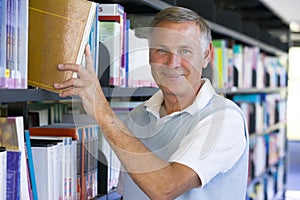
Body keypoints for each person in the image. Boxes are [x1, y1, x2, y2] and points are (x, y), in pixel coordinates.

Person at [54, 6, 249, 200]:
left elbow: (165, 189)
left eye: (185, 51)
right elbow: (130, 193)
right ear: (149, 55)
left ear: (207, 55)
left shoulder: (224, 120)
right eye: (162, 50)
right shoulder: (138, 116)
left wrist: (101, 110)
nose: (172, 63)